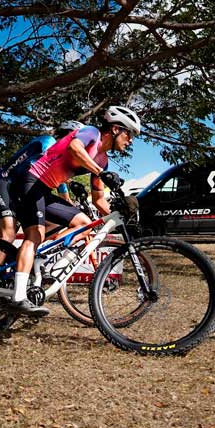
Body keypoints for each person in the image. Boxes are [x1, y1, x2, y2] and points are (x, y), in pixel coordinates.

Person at [10, 106, 139, 315]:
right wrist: (100, 172)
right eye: (129, 134)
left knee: (84, 224)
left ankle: (43, 259)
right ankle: (18, 297)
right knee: (35, 234)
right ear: (115, 129)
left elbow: (98, 199)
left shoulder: (102, 160)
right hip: (29, 181)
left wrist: (120, 216)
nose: (130, 140)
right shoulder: (91, 133)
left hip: (43, 189)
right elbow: (74, 148)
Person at [0, 121, 83, 250]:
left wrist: (72, 207)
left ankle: (23, 259)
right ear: (70, 136)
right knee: (8, 235)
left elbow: (59, 184)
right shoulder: (49, 142)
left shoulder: (60, 157)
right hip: (4, 184)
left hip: (21, 190)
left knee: (53, 227)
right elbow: (45, 166)